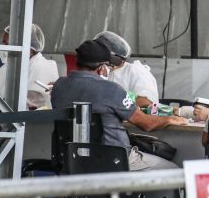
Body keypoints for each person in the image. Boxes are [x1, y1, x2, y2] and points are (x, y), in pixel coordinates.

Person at [51, 40, 187, 171]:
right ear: (102, 68)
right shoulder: (112, 90)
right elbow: (147, 124)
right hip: (114, 159)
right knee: (174, 170)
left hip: (73, 159)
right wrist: (170, 119)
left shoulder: (58, 87)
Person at [0, 24, 59, 109]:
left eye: (8, 45)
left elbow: (33, 103)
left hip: (29, 121)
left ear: (28, 49)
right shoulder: (10, 67)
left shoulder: (44, 67)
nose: (4, 49)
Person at [94, 30, 159, 109]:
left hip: (137, 119)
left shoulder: (136, 71)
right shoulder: (102, 71)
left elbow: (146, 101)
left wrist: (116, 102)